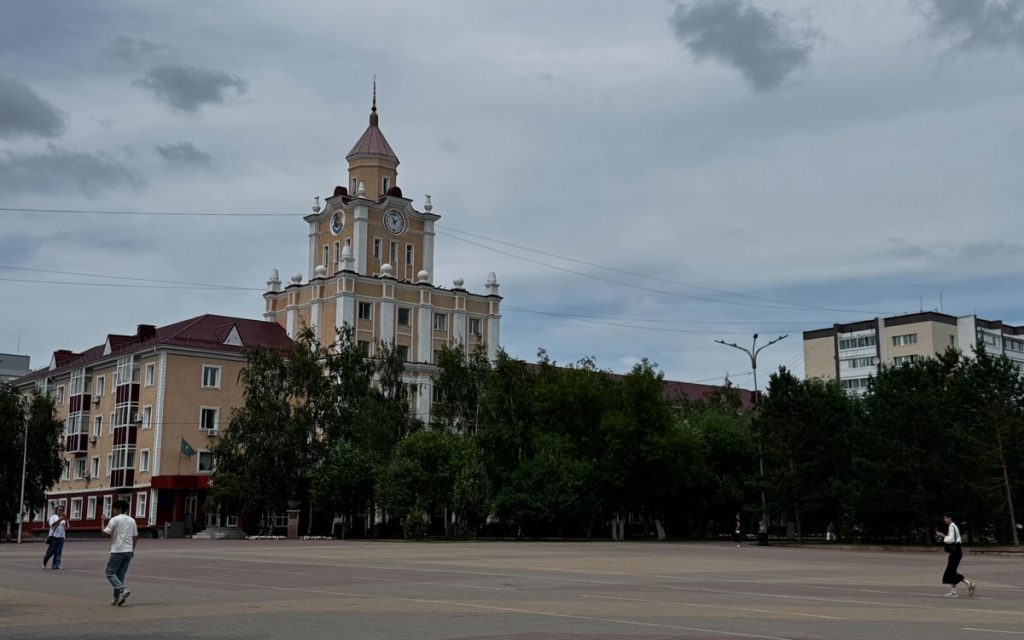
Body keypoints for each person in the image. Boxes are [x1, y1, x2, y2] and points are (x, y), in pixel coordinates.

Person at [102, 499, 138, 606]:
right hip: (128, 551)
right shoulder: (132, 520)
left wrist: (102, 521)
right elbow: (135, 536)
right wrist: (132, 550)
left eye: (114, 509)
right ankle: (117, 598)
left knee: (110, 572)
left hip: (117, 550)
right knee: (120, 575)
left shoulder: (114, 520)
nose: (113, 511)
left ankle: (122, 589)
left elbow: (104, 533)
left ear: (119, 509)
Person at [935, 512, 976, 598]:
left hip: (956, 552)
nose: (944, 520)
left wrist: (942, 536)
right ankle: (954, 591)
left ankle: (968, 583)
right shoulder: (953, 526)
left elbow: (951, 540)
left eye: (945, 518)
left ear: (950, 518)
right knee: (951, 571)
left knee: (950, 572)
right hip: (956, 552)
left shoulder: (952, 526)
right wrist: (944, 537)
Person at [42, 505, 69, 569]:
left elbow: (67, 526)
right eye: (59, 510)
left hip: (61, 536)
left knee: (58, 551)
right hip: (54, 536)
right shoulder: (53, 517)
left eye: (62, 510)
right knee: (51, 551)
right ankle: (45, 560)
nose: (60, 511)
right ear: (56, 510)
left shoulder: (64, 518)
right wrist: (59, 520)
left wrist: (66, 519)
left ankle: (56, 565)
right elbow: (52, 525)